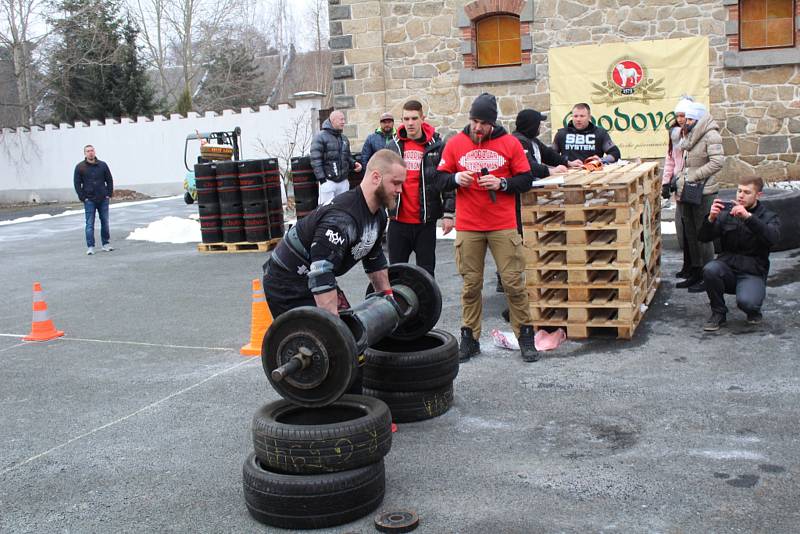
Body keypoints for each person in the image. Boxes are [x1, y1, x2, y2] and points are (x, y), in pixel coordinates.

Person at [435, 93, 539, 363]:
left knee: (514, 284)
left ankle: (526, 337)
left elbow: (526, 179)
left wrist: (502, 184)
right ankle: (470, 339)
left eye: (482, 122)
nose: (477, 127)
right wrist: (457, 177)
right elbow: (438, 179)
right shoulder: (455, 143)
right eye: (473, 120)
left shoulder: (510, 143)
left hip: (503, 225)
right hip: (469, 226)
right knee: (471, 285)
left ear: (492, 122)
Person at [262, 149, 404, 320]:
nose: (400, 190)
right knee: (322, 340)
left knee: (351, 330)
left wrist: (389, 302)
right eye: (395, 183)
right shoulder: (341, 220)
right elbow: (321, 272)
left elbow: (375, 262)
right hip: (286, 280)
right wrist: (334, 331)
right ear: (376, 178)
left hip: (315, 274)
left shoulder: (378, 216)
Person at [698, 177, 780, 331]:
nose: (741, 195)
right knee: (710, 269)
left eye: (747, 192)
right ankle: (718, 313)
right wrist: (710, 219)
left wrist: (748, 218)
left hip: (752, 272)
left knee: (748, 303)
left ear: (758, 195)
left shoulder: (769, 217)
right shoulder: (727, 213)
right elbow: (703, 238)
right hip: (727, 268)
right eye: (739, 191)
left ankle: (753, 309)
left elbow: (772, 239)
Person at [386, 99, 454, 277]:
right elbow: (381, 182)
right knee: (396, 274)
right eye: (406, 119)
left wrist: (448, 214)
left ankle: (426, 306)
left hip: (426, 222)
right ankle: (399, 305)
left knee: (426, 274)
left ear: (423, 118)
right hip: (398, 222)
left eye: (414, 118)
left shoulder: (436, 146)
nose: (410, 123)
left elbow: (446, 181)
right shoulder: (392, 146)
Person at [674, 102, 723, 293]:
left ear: (699, 120)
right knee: (691, 233)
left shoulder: (711, 135)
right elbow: (687, 163)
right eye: (686, 119)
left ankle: (708, 275)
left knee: (704, 234)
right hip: (688, 189)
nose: (686, 122)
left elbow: (718, 162)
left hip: (704, 191)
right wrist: (679, 179)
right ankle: (696, 271)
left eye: (690, 119)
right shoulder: (690, 135)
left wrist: (693, 176)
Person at [661, 96, 694, 279]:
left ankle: (696, 266)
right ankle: (687, 264)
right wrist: (666, 182)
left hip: (693, 183)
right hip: (678, 184)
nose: (681, 119)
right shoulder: (674, 134)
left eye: (684, 115)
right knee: (682, 225)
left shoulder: (695, 133)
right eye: (678, 115)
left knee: (693, 228)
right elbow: (671, 160)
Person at [310, 110, 362, 205]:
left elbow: (347, 156)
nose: (343, 122)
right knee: (326, 211)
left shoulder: (344, 138)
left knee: (344, 209)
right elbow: (315, 160)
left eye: (344, 119)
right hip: (328, 182)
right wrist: (322, 180)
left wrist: (354, 163)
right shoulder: (320, 137)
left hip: (343, 182)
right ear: (333, 120)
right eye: (341, 119)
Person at [73, 144, 114, 255]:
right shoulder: (80, 167)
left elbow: (109, 180)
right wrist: (83, 197)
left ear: (94, 152)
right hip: (89, 199)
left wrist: (108, 194)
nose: (90, 152)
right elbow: (77, 183)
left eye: (92, 150)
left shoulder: (102, 165)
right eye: (88, 151)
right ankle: (90, 246)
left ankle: (105, 243)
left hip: (103, 198)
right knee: (90, 224)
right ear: (85, 153)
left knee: (105, 222)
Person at [553, 103, 621, 168]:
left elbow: (615, 153)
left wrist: (601, 160)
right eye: (575, 116)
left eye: (582, 116)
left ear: (589, 117)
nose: (578, 119)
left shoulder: (600, 133)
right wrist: (567, 162)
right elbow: (550, 156)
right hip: (567, 173)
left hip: (593, 172)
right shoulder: (561, 134)